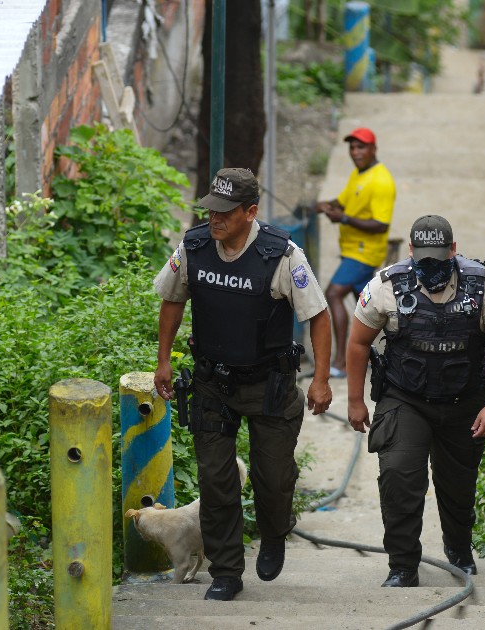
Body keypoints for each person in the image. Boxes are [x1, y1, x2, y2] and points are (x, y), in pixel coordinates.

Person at [153, 167, 333, 601]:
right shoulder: (194, 247)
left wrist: (322, 380)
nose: (215, 220)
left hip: (268, 385)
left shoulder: (281, 255)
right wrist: (163, 361)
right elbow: (172, 300)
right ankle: (226, 571)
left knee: (272, 479)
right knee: (217, 482)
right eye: (211, 210)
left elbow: (319, 316)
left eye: (226, 213)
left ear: (250, 212)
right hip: (213, 383)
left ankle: (274, 532)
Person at [345, 214, 485, 588]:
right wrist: (355, 401)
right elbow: (359, 341)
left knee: (458, 486)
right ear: (411, 252)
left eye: (439, 259)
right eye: (423, 258)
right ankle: (402, 565)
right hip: (404, 398)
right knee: (398, 476)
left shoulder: (482, 286)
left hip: (464, 402)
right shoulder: (386, 286)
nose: (430, 266)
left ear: (453, 251)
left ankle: (458, 550)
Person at [314, 127, 396, 378]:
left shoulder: (381, 181)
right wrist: (323, 206)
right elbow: (343, 202)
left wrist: (345, 219)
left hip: (363, 253)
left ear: (373, 149)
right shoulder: (359, 175)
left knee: (333, 293)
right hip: (352, 250)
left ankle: (342, 361)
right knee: (371, 305)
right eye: (352, 147)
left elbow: (381, 224)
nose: (355, 152)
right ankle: (387, 354)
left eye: (361, 147)